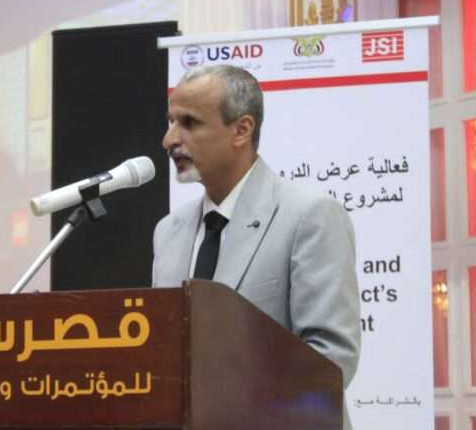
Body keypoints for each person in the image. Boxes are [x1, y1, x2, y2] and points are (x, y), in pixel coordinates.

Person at [152, 64, 360, 428]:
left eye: (189, 123)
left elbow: (331, 360)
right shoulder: (168, 231)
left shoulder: (309, 215)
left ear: (242, 130)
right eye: (170, 122)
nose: (169, 140)